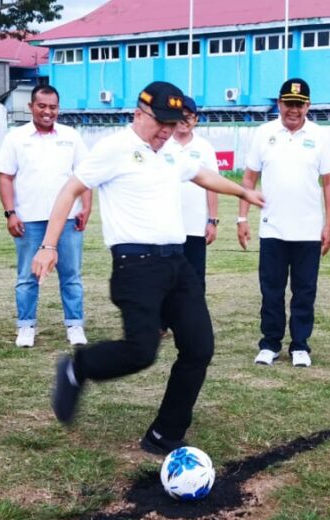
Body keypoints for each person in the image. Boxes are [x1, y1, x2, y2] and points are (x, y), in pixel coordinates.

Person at [32, 81, 265, 455]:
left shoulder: (171, 151)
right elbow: (70, 190)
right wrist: (47, 246)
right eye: (161, 123)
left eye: (173, 125)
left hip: (177, 263)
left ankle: (165, 434)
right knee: (141, 350)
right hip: (135, 265)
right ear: (139, 114)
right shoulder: (114, 148)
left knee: (199, 347)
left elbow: (203, 174)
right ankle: (78, 368)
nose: (166, 132)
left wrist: (242, 192)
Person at [236, 78, 330, 368]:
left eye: (299, 104)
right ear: (279, 104)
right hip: (273, 227)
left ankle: (300, 346)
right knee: (271, 290)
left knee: (305, 290)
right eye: (288, 104)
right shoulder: (264, 133)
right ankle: (269, 344)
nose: (293, 110)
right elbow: (248, 179)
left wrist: (328, 225)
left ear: (307, 106)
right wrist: (242, 217)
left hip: (308, 229)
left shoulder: (319, 136)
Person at [0, 85, 91, 348]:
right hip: (29, 220)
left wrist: (86, 207)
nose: (48, 112)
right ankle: (26, 327)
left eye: (53, 107)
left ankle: (75, 325)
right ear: (31, 107)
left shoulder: (71, 136)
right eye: (42, 106)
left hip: (68, 221)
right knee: (28, 276)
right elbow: (6, 176)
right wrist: (10, 213)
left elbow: (85, 176)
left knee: (71, 275)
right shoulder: (16, 137)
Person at [159, 95, 218, 332]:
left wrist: (212, 220)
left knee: (194, 277)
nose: (184, 121)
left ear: (196, 119)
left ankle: (192, 322)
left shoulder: (204, 147)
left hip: (194, 225)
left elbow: (212, 184)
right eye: (179, 116)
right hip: (166, 224)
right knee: (164, 276)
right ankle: (161, 323)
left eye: (189, 117)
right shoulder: (162, 144)